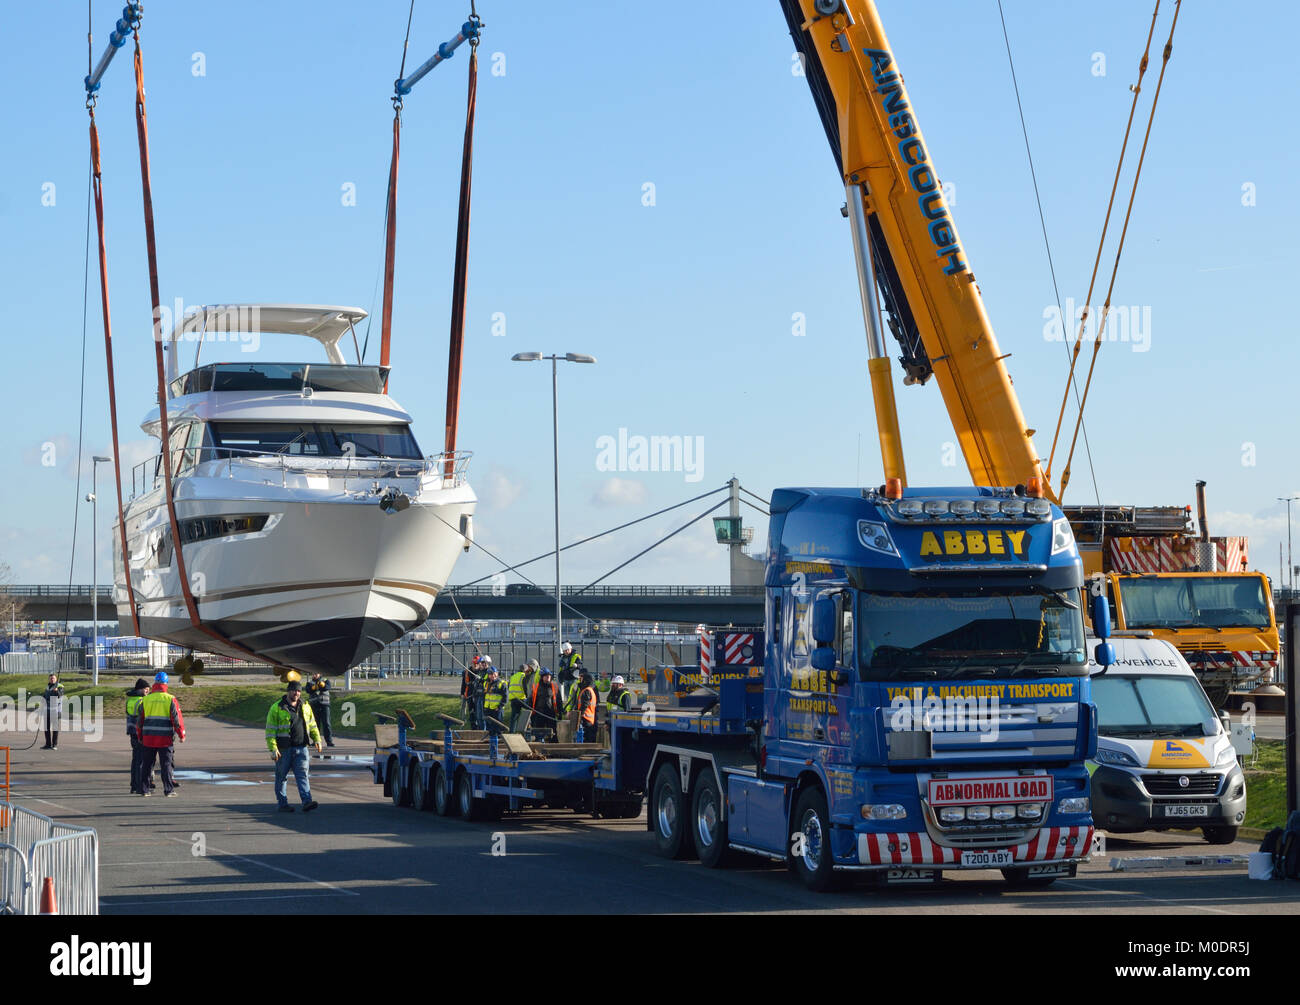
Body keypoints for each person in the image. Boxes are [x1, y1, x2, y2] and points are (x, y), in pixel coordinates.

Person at [265, 680, 322, 813]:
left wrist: (317, 739)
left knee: (302, 775)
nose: (296, 693)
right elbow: (270, 731)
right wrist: (273, 748)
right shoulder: (277, 708)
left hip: (301, 748)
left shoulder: (305, 706)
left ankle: (307, 801)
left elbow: (312, 724)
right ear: (288, 691)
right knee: (281, 777)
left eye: (298, 691)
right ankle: (282, 804)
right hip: (283, 750)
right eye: (294, 690)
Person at [137, 672, 186, 797]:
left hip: (148, 737)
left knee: (147, 764)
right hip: (165, 738)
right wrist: (181, 735)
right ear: (166, 683)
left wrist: (140, 736)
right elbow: (177, 720)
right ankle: (168, 790)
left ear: (155, 684)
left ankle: (144, 789)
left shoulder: (146, 699)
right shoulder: (170, 699)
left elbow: (140, 721)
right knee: (166, 765)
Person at [125, 677, 151, 794]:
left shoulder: (130, 700)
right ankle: (140, 786)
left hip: (131, 732)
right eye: (146, 690)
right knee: (141, 760)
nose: (148, 692)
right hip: (140, 733)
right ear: (140, 690)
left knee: (135, 759)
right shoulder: (141, 701)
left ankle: (134, 785)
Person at [528, 668, 562, 742]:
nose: (548, 677)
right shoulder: (536, 687)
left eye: (549, 676)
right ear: (542, 677)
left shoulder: (554, 686)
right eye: (546, 676)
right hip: (539, 713)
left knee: (553, 732)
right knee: (538, 732)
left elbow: (559, 700)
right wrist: (531, 712)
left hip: (551, 713)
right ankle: (538, 745)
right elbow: (531, 700)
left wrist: (560, 712)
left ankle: (554, 747)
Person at [306, 672, 335, 747]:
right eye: (313, 674)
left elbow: (328, 687)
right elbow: (308, 690)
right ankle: (315, 741)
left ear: (319, 674)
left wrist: (323, 685)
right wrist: (313, 688)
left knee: (327, 723)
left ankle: (329, 741)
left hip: (324, 705)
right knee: (315, 724)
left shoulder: (325, 680)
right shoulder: (309, 682)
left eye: (316, 674)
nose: (314, 675)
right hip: (314, 705)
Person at [507, 662, 534, 733]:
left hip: (513, 699)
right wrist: (527, 696)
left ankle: (511, 733)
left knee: (514, 717)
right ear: (525, 670)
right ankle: (528, 732)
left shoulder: (513, 676)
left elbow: (508, 686)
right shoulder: (523, 676)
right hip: (522, 698)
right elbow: (525, 687)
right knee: (529, 713)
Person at [572, 671, 598, 743]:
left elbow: (584, 705)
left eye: (582, 679)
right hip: (589, 719)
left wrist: (579, 715)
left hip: (585, 718)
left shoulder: (586, 691)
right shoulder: (589, 690)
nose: (580, 680)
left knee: (585, 738)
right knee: (588, 738)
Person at [41, 673, 65, 750]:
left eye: (53, 678)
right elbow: (44, 696)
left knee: (55, 729)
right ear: (49, 679)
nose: (52, 679)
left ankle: (54, 745)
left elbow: (60, 695)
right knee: (46, 728)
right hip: (47, 710)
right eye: (51, 678)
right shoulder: (47, 687)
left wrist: (57, 690)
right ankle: (48, 744)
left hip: (56, 710)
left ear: (56, 679)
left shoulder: (60, 686)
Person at [481, 668, 508, 735]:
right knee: (489, 729)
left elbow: (506, 697)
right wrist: (484, 707)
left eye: (494, 673)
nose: (493, 675)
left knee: (497, 728)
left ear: (497, 673)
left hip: (497, 710)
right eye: (490, 674)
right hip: (488, 709)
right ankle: (489, 742)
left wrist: (499, 707)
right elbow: (484, 696)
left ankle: (498, 742)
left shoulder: (502, 684)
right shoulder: (486, 683)